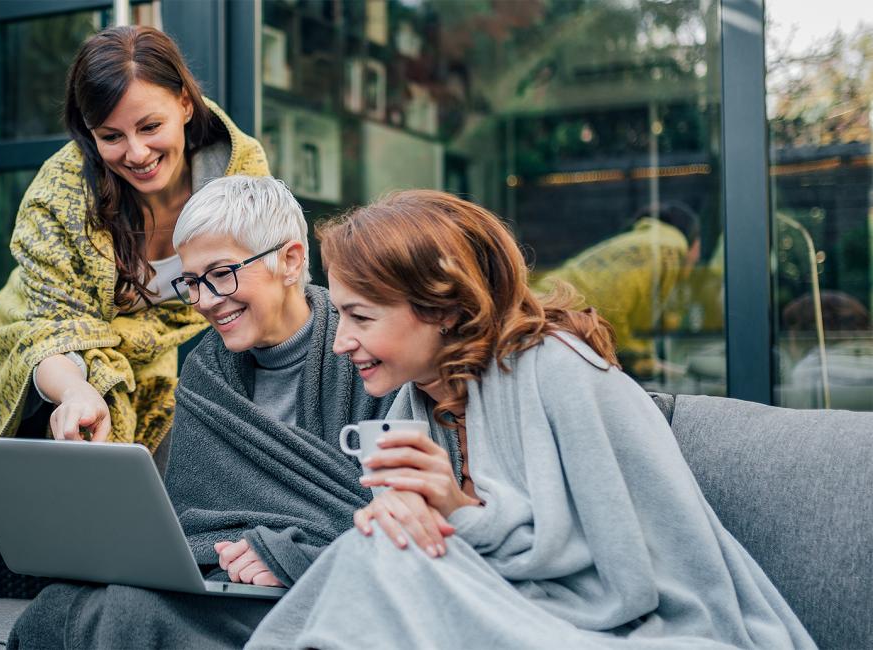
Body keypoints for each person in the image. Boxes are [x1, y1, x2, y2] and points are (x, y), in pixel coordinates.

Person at [246, 190, 813, 649]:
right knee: (372, 553)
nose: (340, 341)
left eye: (361, 317)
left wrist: (455, 511)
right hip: (501, 607)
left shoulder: (562, 374)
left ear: (442, 309)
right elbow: (437, 554)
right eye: (340, 315)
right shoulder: (416, 404)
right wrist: (399, 516)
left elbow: (634, 577)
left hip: (609, 622)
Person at [6, 176, 402, 649]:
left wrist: (291, 556)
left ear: (291, 260)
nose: (206, 301)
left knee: (129, 614)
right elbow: (194, 520)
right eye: (191, 282)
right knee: (60, 606)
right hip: (226, 579)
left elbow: (405, 520)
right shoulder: (207, 370)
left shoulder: (367, 355)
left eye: (221, 274)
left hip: (325, 589)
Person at [0, 25, 269, 470]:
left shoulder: (240, 175)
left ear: (185, 104)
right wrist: (76, 390)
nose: (137, 153)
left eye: (150, 127)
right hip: (44, 358)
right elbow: (53, 330)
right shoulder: (58, 196)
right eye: (111, 136)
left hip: (151, 361)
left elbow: (264, 283)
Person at [537, 202, 702, 379]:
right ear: (694, 242)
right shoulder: (672, 249)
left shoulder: (636, 241)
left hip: (540, 308)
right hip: (553, 325)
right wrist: (639, 358)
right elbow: (623, 317)